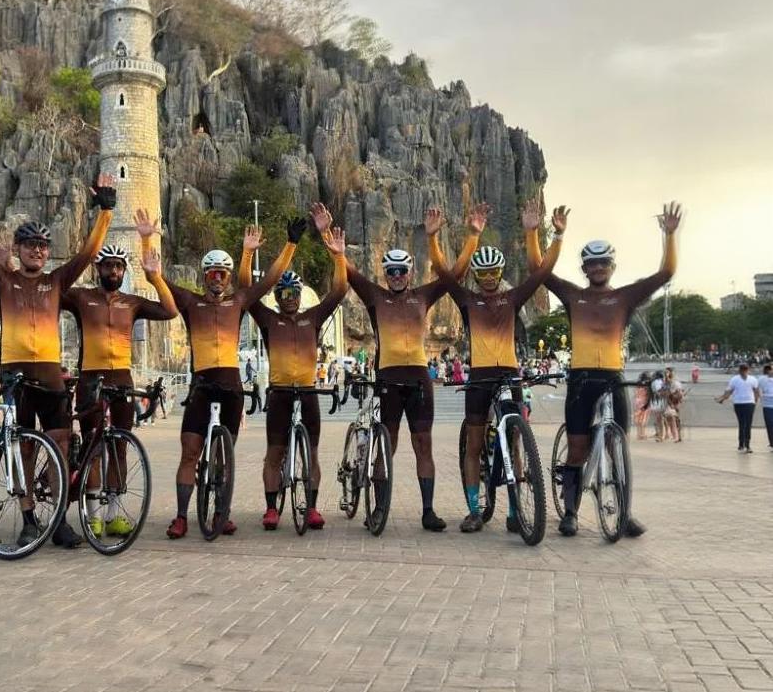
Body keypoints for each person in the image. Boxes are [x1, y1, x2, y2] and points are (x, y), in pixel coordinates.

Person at [0, 162, 114, 549]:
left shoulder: (56, 280)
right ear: (18, 250)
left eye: (43, 246)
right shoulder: (2, 279)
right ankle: (30, 518)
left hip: (49, 375)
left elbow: (89, 251)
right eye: (30, 245)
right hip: (16, 376)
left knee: (62, 442)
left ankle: (59, 519)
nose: (37, 250)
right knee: (25, 447)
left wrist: (106, 211)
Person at [525, 200, 681, 537]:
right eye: (592, 263)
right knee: (578, 449)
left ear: (611, 266)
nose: (598, 268)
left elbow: (665, 274)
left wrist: (669, 235)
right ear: (584, 268)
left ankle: (623, 514)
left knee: (617, 449)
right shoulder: (572, 295)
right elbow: (537, 268)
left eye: (603, 263)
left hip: (613, 379)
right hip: (581, 380)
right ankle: (570, 512)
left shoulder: (625, 297)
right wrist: (538, 232)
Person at [148, 208, 304, 540]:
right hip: (202, 386)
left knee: (222, 456)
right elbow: (157, 276)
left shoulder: (239, 301)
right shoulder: (191, 302)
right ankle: (180, 516)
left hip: (231, 387)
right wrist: (149, 247)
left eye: (222, 273)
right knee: (190, 451)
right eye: (212, 273)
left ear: (229, 278)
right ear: (204, 277)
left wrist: (290, 244)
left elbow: (271, 279)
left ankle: (222, 511)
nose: (217, 278)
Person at [332, 199, 486, 532]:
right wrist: (336, 252)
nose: (397, 276)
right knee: (387, 444)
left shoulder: (423, 296)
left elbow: (454, 275)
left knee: (423, 444)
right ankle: (378, 507)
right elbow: (350, 274)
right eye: (391, 271)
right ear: (384, 274)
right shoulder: (375, 296)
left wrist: (470, 236)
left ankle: (428, 511)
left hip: (418, 380)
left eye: (402, 271)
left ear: (411, 273)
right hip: (387, 377)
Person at [432, 199, 562, 533]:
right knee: (474, 445)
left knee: (516, 440)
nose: (488, 278)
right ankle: (475, 509)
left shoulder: (511, 298)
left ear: (501, 274)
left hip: (508, 374)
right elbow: (444, 275)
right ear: (476, 276)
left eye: (494, 273)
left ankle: (516, 509)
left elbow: (543, 272)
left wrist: (540, 233)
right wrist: (453, 237)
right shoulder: (468, 300)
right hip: (479, 378)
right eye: (482, 273)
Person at [61, 233, 178, 537]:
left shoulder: (132, 302)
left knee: (121, 446)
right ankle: (94, 514)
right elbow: (51, 289)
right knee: (93, 446)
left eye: (119, 267)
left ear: (125, 271)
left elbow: (170, 310)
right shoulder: (81, 297)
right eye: (108, 266)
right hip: (91, 378)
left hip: (122, 379)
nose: (114, 272)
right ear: (97, 269)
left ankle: (114, 514)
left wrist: (155, 278)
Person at [239, 205, 346, 531]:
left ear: (300, 296)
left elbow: (340, 291)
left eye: (293, 293)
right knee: (274, 453)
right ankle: (271, 508)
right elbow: (245, 290)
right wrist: (247, 255)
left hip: (309, 392)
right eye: (283, 293)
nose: (289, 298)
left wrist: (337, 255)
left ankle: (311, 508)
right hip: (281, 394)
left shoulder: (313, 317)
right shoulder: (269, 320)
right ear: (277, 296)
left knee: (311, 454)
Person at [717, 363, 760, 453]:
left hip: (749, 403)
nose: (744, 371)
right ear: (740, 370)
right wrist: (723, 398)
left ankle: (747, 445)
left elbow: (756, 391)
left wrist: (755, 401)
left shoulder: (753, 380)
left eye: (745, 369)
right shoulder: (734, 380)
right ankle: (741, 444)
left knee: (748, 424)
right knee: (742, 423)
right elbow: (729, 391)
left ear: (748, 370)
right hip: (739, 403)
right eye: (742, 370)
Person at [758, 364, 773, 450]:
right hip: (767, 405)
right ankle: (772, 442)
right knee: (770, 424)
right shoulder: (762, 379)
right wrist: (761, 398)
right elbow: (758, 390)